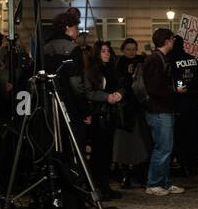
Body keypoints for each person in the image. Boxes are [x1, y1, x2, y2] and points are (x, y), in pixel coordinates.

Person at [70, 43, 124, 200]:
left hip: (111, 114)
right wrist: (107, 97)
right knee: (98, 153)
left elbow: (122, 85)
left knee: (107, 152)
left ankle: (105, 186)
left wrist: (119, 94)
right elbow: (88, 92)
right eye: (103, 51)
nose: (107, 54)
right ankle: (96, 187)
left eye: (108, 51)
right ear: (97, 53)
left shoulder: (112, 69)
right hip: (98, 114)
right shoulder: (91, 71)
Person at [141, 27, 185, 195]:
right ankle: (153, 184)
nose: (174, 41)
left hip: (163, 109)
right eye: (172, 39)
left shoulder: (159, 58)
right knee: (163, 147)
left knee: (166, 147)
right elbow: (154, 88)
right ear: (166, 41)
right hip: (159, 110)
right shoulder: (155, 59)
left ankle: (164, 182)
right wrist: (175, 91)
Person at [111, 38, 150, 187]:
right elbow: (121, 86)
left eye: (134, 49)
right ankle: (125, 174)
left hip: (139, 108)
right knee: (125, 143)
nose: (132, 52)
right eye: (128, 49)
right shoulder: (120, 64)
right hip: (126, 110)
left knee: (140, 143)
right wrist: (127, 76)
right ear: (123, 50)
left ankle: (139, 173)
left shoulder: (141, 61)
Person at [169, 34, 198, 178]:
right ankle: (193, 166)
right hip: (193, 102)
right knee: (193, 136)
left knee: (180, 137)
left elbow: (174, 80)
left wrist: (180, 88)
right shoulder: (193, 59)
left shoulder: (170, 60)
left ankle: (184, 166)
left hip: (178, 103)